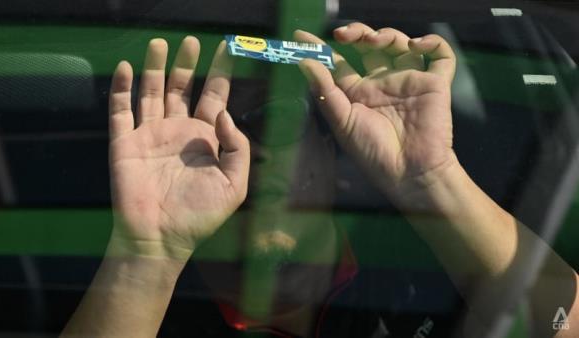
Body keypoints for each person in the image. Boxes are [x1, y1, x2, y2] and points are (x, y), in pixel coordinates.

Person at [61, 23, 578, 338]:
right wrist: (147, 258)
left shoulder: (428, 270)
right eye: (208, 132)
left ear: (333, 154)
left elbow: (563, 325)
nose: (239, 145)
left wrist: (429, 177)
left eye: (272, 119)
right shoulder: (138, 314)